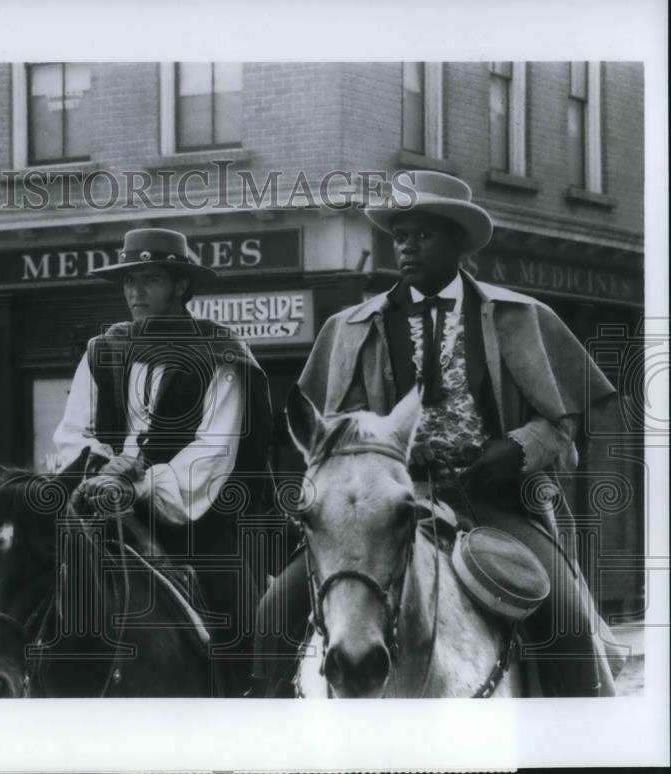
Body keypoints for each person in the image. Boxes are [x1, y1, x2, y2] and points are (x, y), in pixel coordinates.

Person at [255, 171, 621, 697]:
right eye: (400, 236)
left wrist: (517, 450)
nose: (406, 246)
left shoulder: (520, 317)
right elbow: (335, 432)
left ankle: (583, 725)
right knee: (276, 606)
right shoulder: (350, 328)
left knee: (563, 612)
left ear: (458, 242)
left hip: (496, 505)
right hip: (381, 509)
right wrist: (386, 448)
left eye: (422, 235)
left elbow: (563, 426)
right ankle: (265, 715)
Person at [52, 227, 276, 695]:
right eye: (129, 280)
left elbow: (213, 453)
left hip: (196, 520)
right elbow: (75, 432)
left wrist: (138, 482)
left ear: (180, 284)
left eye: (149, 278)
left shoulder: (220, 352)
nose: (135, 291)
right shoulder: (103, 349)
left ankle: (252, 702)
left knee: (242, 614)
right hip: (105, 507)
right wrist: (102, 470)